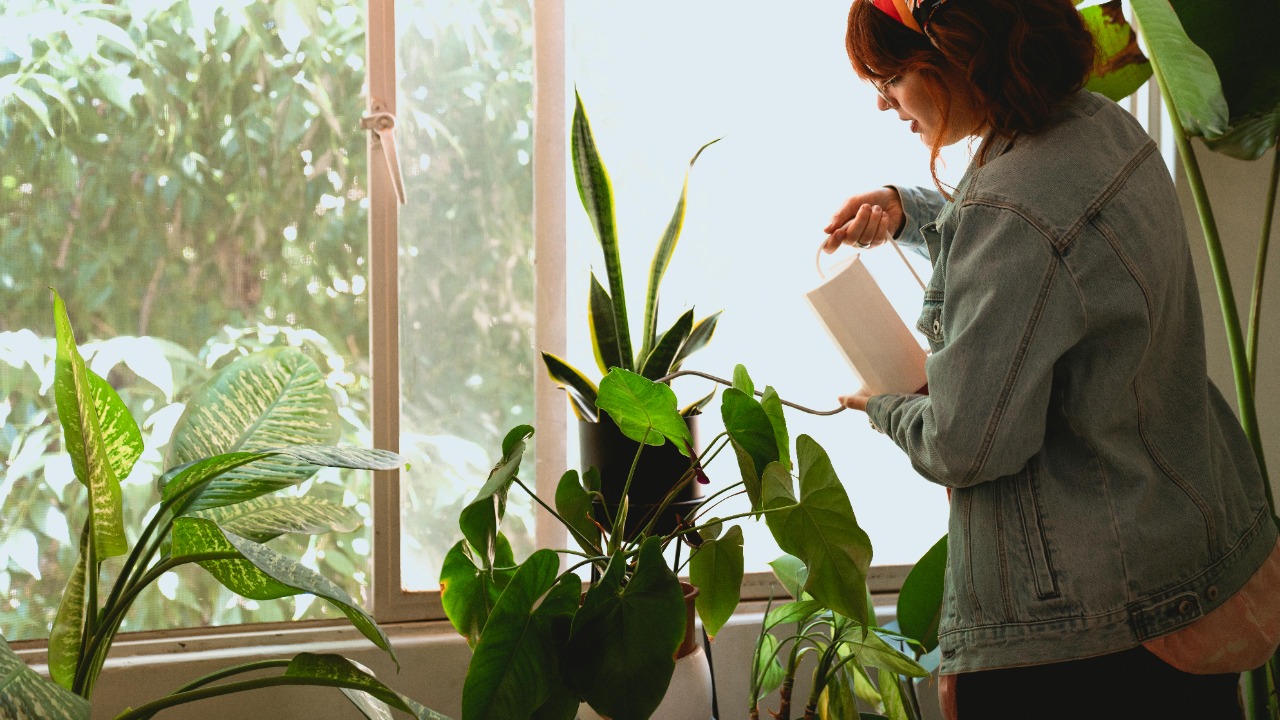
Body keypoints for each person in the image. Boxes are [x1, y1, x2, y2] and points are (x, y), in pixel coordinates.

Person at [826, 0, 1280, 718]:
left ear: (956, 56)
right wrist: (910, 211)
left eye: (892, 77)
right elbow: (1048, 261)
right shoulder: (1103, 129)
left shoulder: (1009, 207)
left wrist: (882, 406)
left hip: (1091, 639)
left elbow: (965, 443)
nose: (884, 102)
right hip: (1182, 575)